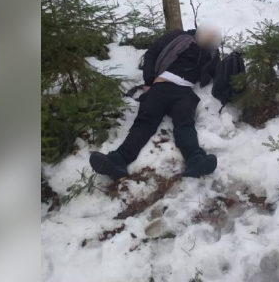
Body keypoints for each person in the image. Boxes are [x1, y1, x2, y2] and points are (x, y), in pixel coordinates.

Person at [90, 23, 221, 181]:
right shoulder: (179, 36)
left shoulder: (212, 53)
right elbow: (152, 54)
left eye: (212, 39)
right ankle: (118, 160)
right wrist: (148, 82)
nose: (208, 40)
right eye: (207, 36)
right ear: (200, 32)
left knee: (185, 124)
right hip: (160, 85)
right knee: (144, 122)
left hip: (184, 92)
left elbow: (217, 73)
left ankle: (196, 160)